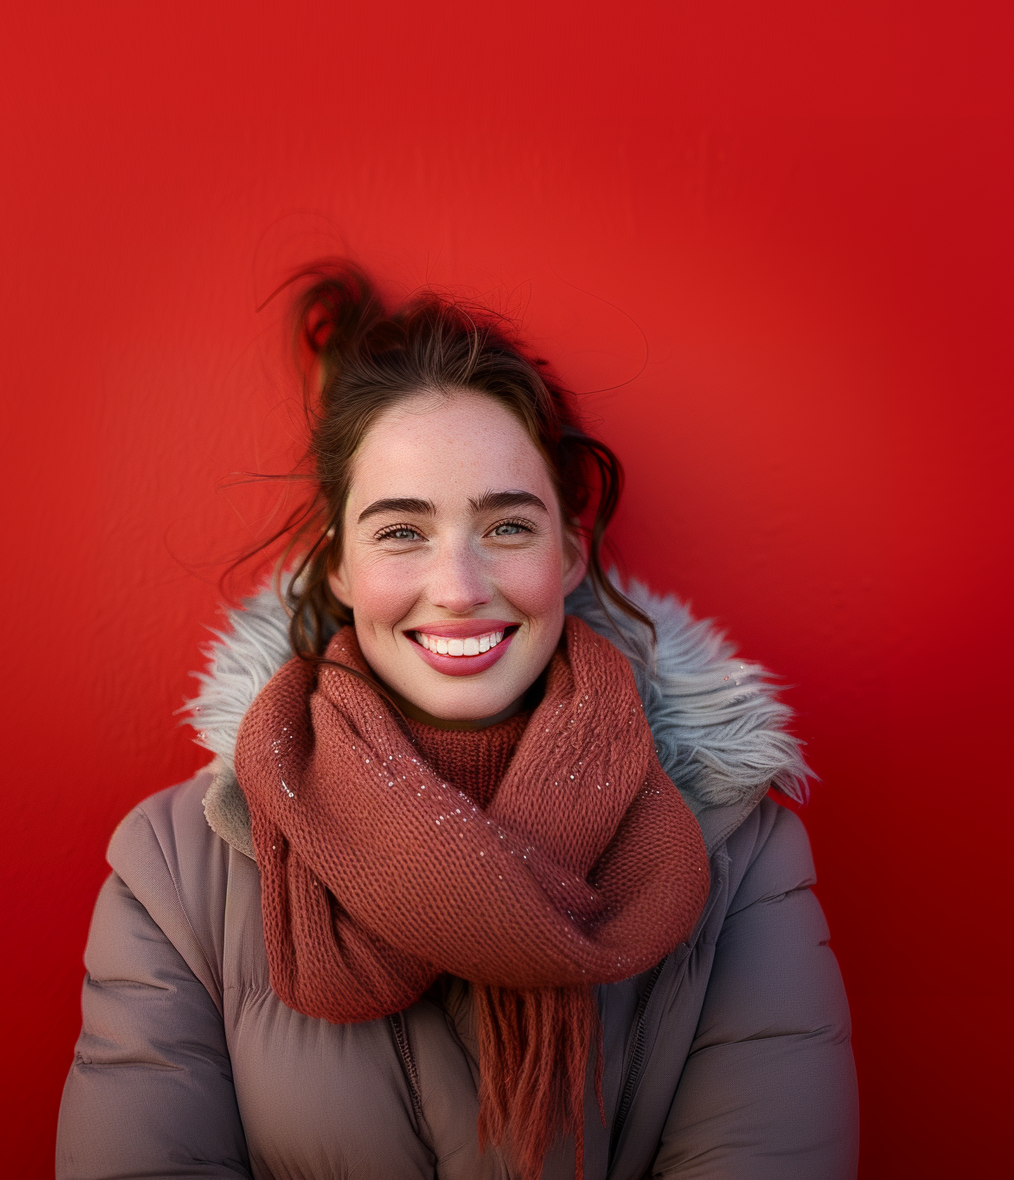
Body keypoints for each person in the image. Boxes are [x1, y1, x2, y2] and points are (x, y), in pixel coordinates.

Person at [56, 262, 858, 1180]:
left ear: (569, 551)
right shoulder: (174, 872)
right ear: (338, 570)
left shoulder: (741, 855)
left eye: (508, 527)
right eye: (402, 531)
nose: (461, 590)